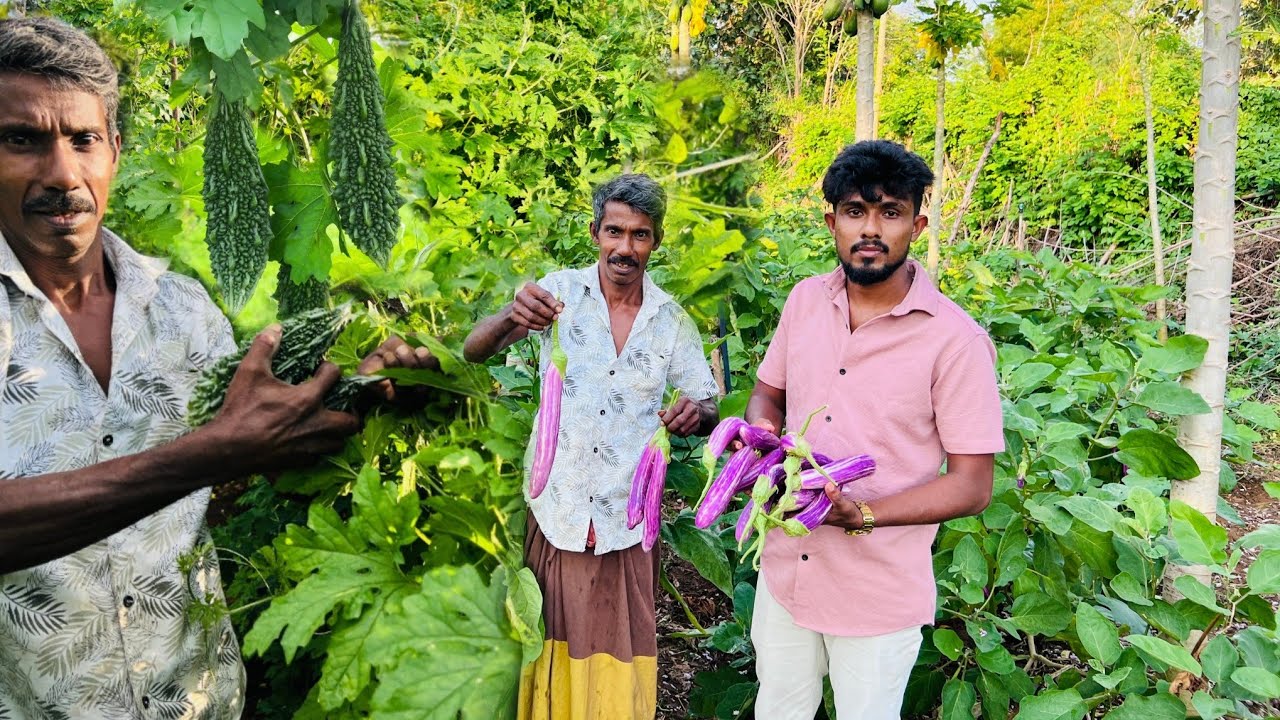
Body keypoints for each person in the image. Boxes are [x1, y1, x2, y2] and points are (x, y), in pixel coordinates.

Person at [0, 17, 433, 719]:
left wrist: (365, 397)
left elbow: (244, 469)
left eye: (83, 139)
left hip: (199, 704)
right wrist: (204, 456)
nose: (62, 173)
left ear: (115, 149)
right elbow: (213, 454)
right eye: (22, 140)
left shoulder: (182, 311)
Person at [744, 140, 1004, 719]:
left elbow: (972, 485)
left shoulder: (955, 342)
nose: (871, 229)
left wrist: (862, 514)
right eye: (856, 212)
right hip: (788, 571)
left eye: (890, 213)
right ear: (831, 219)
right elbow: (768, 393)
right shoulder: (806, 301)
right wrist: (760, 444)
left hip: (878, 594)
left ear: (917, 223)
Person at [464, 173, 720, 720]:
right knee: (551, 642)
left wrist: (694, 415)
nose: (625, 248)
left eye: (641, 235)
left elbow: (708, 406)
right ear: (595, 232)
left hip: (625, 518)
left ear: (656, 241)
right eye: (615, 231)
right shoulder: (557, 294)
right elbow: (474, 350)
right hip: (558, 509)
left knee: (618, 649)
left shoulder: (670, 322)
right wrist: (512, 314)